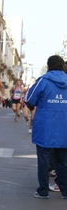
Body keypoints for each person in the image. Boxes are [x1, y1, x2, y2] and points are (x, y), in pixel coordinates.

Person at [25, 55, 67, 199]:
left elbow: (30, 100)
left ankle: (43, 190)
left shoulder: (43, 81)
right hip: (64, 127)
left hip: (45, 127)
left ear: (48, 66)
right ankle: (65, 191)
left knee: (43, 160)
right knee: (62, 161)